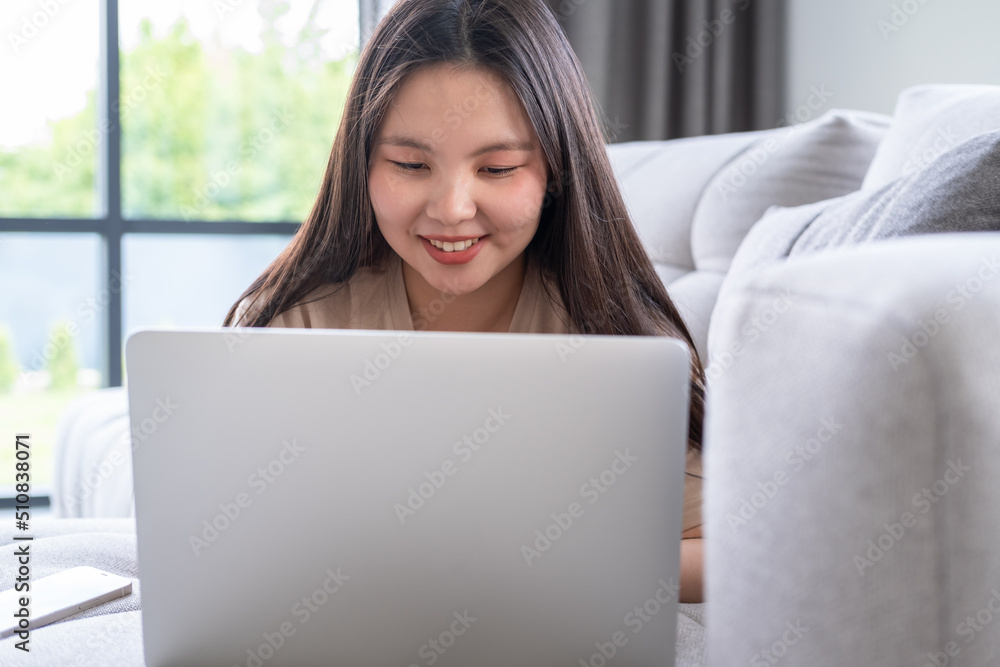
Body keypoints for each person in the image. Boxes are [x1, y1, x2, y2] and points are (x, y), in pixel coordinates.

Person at [224, 0, 707, 603]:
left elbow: (716, 549)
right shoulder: (300, 319)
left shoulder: (617, 339)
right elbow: (232, 536)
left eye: (498, 168)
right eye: (409, 164)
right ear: (363, 166)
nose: (452, 208)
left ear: (555, 172)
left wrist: (548, 565)